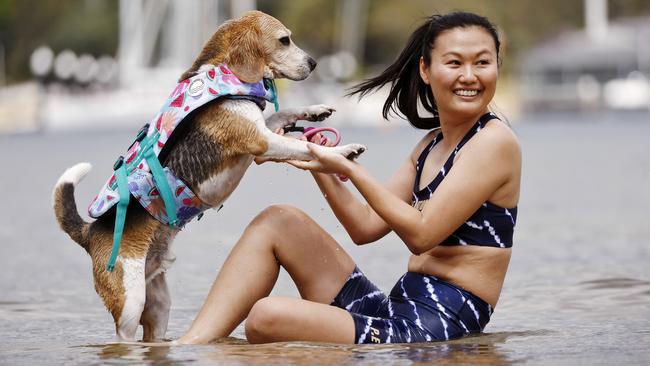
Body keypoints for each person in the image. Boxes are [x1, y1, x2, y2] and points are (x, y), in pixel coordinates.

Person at [177, 11, 521, 345]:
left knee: (267, 316)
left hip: (436, 328)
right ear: (426, 70)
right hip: (396, 312)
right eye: (455, 63)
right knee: (278, 221)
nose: (469, 75)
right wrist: (318, 159)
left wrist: (349, 168)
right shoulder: (430, 145)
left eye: (482, 62)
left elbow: (422, 233)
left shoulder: (494, 141)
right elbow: (365, 226)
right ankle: (189, 347)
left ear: (496, 68)